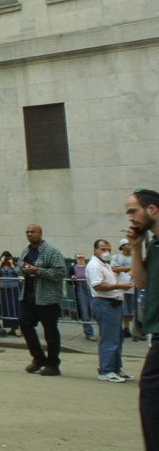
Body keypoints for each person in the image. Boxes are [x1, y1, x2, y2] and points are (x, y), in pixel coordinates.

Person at [125, 188, 159, 447]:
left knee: (150, 392)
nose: (131, 219)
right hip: (156, 331)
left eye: (133, 212)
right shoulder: (154, 245)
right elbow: (142, 282)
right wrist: (136, 249)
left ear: (152, 210)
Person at [18, 224, 65, 376]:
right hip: (29, 295)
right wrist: (23, 269)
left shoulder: (52, 251)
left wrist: (38, 271)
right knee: (24, 323)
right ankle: (38, 358)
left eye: (33, 232)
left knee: (50, 331)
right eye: (27, 232)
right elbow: (22, 266)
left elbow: (59, 272)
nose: (29, 234)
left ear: (40, 234)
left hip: (47, 297)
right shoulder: (26, 251)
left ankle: (53, 364)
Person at [86, 238, 134, 382]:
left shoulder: (104, 265)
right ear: (95, 250)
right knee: (109, 339)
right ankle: (106, 370)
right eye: (103, 249)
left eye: (108, 249)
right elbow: (97, 286)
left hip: (113, 304)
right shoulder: (95, 266)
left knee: (116, 338)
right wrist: (119, 286)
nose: (106, 253)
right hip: (105, 304)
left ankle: (115, 368)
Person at [112, 239, 136, 339]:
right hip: (121, 286)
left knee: (132, 309)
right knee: (122, 308)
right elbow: (113, 268)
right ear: (122, 246)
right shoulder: (117, 257)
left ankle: (130, 328)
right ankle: (123, 328)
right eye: (128, 244)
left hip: (133, 286)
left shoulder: (135, 256)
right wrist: (129, 268)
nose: (130, 246)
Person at [71, 251, 97, 341]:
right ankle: (89, 333)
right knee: (85, 311)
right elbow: (70, 280)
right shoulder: (74, 268)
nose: (80, 254)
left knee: (96, 310)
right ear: (75, 257)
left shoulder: (90, 265)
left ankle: (103, 332)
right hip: (81, 290)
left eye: (81, 253)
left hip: (92, 289)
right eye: (77, 253)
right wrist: (72, 278)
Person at [0, 252, 21, 336]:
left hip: (13, 288)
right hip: (4, 288)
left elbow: (18, 272)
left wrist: (12, 264)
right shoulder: (1, 266)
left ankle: (16, 327)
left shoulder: (14, 266)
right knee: (6, 308)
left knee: (14, 307)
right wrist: (1, 262)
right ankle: (11, 327)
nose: (6, 260)